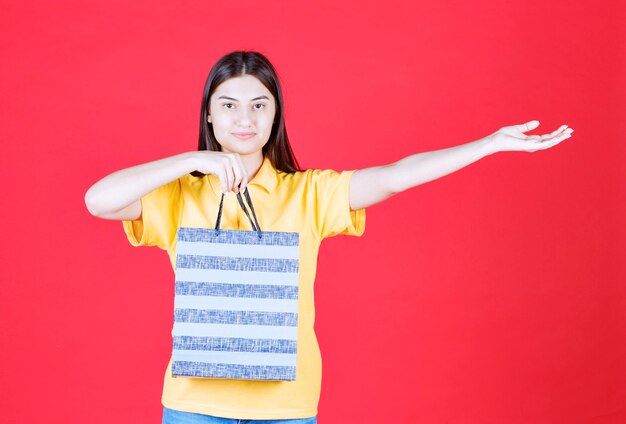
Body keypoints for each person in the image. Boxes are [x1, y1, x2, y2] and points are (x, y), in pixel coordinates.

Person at [84, 51, 573, 423]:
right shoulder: (177, 196)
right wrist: (191, 161)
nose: (244, 119)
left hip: (287, 403)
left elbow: (393, 176)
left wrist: (487, 145)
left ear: (275, 115)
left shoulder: (310, 194)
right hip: (193, 402)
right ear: (209, 115)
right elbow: (97, 200)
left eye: (259, 104)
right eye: (228, 105)